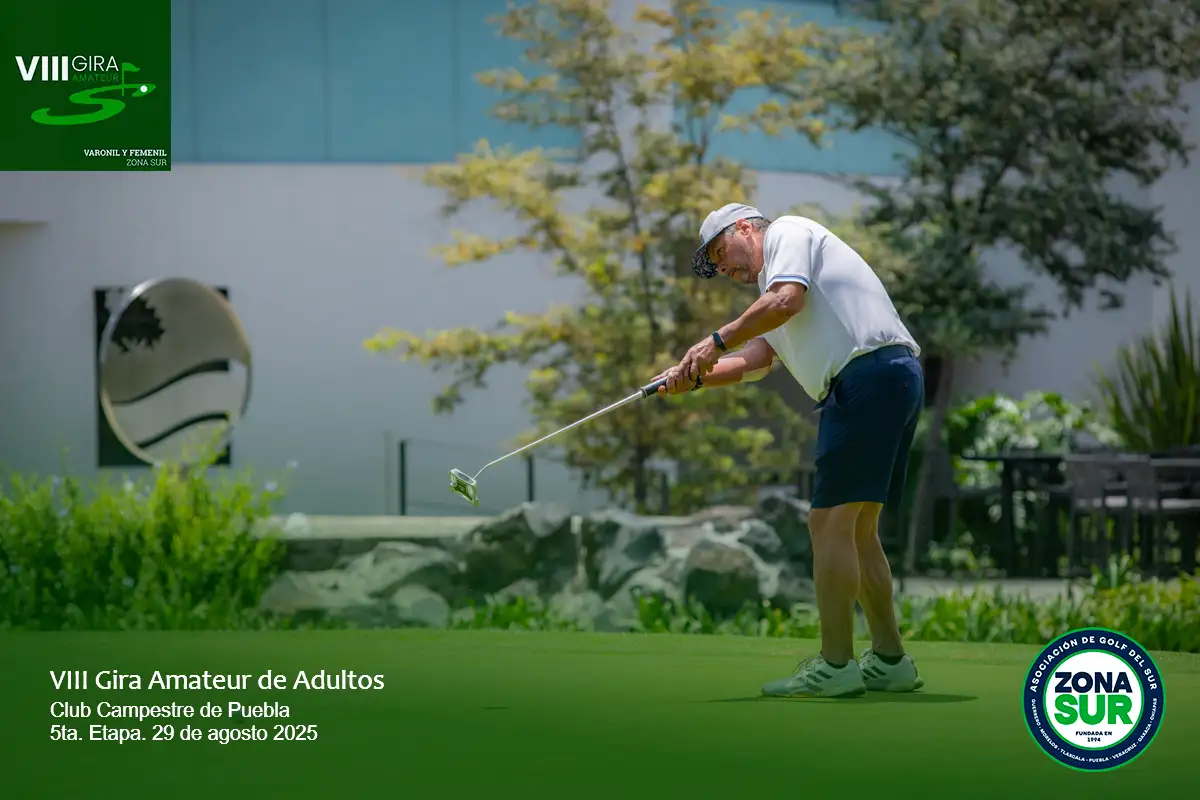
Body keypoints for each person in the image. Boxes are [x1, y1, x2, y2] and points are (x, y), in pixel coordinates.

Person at [655, 202, 925, 698]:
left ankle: (836, 665)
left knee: (827, 524)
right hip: (890, 378)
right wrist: (692, 378)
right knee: (857, 530)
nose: (722, 268)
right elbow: (756, 361)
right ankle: (890, 660)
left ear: (744, 228)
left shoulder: (787, 234)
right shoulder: (772, 286)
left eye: (720, 253)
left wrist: (714, 340)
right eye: (714, 264)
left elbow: (786, 302)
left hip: (866, 379)